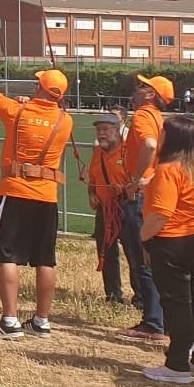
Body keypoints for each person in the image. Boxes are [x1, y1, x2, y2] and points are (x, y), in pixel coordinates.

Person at [0, 41, 73, 340]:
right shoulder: (66, 121)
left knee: (7, 256)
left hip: (15, 191)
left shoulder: (17, 112)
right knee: (45, 260)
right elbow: (51, 112)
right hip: (47, 196)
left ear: (39, 87)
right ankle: (41, 320)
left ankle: (10, 320)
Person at [137, 116, 194, 384]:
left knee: (177, 303)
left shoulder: (168, 169)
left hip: (173, 242)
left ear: (171, 139)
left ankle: (177, 365)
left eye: (163, 133)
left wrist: (143, 236)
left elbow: (161, 214)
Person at [114, 75, 173, 345]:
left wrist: (136, 179)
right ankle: (161, 319)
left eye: (142, 86)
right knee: (154, 258)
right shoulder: (158, 118)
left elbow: (148, 145)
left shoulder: (141, 117)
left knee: (143, 259)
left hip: (141, 194)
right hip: (154, 190)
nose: (137, 90)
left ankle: (152, 322)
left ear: (150, 94)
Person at [82, 112, 129, 304]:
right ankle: (113, 295)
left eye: (105, 130)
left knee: (135, 256)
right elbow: (93, 180)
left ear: (117, 131)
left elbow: (140, 181)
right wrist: (92, 194)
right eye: (98, 130)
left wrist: (124, 189)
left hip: (125, 207)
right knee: (106, 253)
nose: (101, 134)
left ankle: (142, 298)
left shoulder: (128, 151)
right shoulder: (97, 154)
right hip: (104, 209)